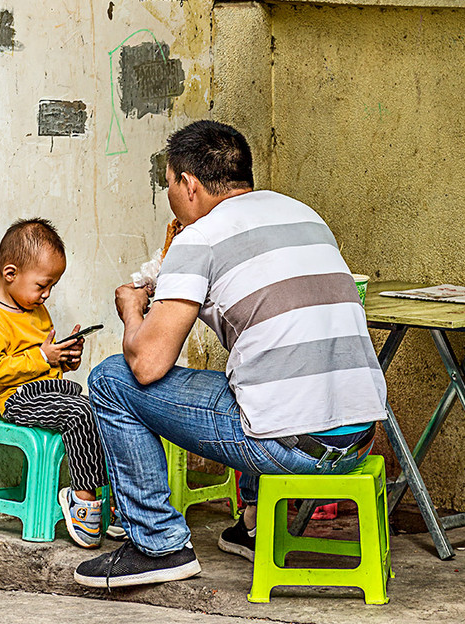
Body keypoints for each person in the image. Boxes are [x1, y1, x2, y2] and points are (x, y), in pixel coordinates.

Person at [74, 120, 387, 589]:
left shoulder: (198, 237)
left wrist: (131, 311)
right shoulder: (303, 215)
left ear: (188, 183)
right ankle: (253, 527)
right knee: (249, 374)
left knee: (112, 379)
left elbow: (147, 364)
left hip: (292, 447)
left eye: (168, 186)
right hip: (358, 439)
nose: (171, 200)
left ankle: (157, 544)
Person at [0, 218, 109, 548]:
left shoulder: (35, 311)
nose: (46, 295)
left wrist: (65, 358)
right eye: (42, 285)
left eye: (52, 288)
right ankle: (83, 500)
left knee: (103, 410)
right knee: (79, 414)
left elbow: (46, 366)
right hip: (16, 399)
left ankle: (115, 505)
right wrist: (44, 358)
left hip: (49, 392)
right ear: (10, 274)